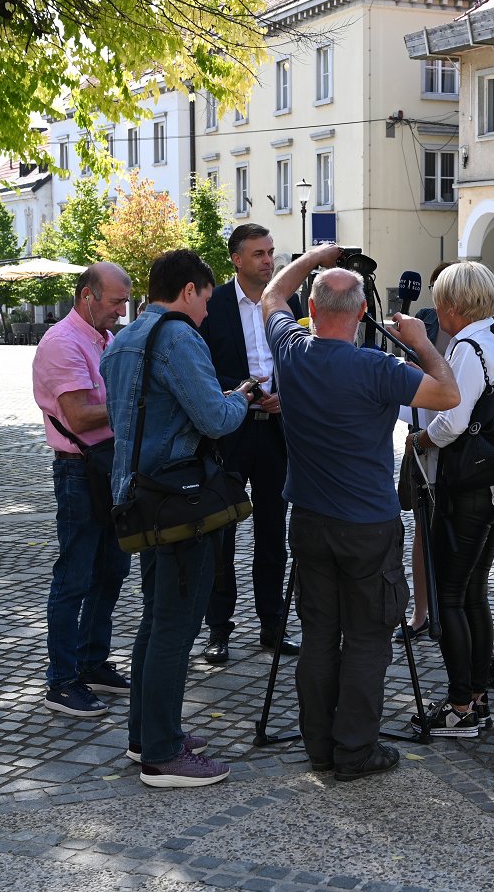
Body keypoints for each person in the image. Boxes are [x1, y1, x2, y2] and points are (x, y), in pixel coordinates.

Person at [262, 244, 458, 781]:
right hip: (367, 525)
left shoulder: (293, 350)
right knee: (369, 637)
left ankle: (321, 747)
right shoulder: (377, 367)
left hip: (308, 518)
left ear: (312, 310)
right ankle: (354, 751)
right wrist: (421, 343)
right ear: (363, 314)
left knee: (320, 635)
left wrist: (316, 257)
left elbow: (273, 293)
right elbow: (447, 393)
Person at [101, 249, 258, 789]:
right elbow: (213, 418)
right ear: (188, 290)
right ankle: (163, 755)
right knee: (175, 624)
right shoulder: (177, 336)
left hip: (141, 499)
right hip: (179, 499)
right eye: (206, 299)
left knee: (156, 618)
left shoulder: (122, 339)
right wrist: (244, 398)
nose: (207, 313)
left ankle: (146, 733)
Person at [405, 262, 494, 736]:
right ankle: (476, 697)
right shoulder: (491, 342)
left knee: (451, 596)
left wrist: (421, 440)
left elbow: (452, 421)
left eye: (440, 301)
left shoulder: (465, 347)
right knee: (472, 592)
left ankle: (461, 705)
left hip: (470, 488)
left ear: (454, 306)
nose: (437, 311)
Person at [197, 224, 304, 665]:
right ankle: (218, 629)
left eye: (271, 252)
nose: (268, 261)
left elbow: (301, 358)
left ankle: (271, 624)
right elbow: (201, 368)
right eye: (259, 253)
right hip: (230, 430)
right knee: (220, 532)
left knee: (272, 534)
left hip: (276, 432)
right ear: (236, 260)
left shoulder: (288, 304)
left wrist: (286, 393)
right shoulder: (214, 305)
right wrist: (248, 391)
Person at [33, 263, 134, 720]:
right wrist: (133, 401)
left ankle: (92, 663)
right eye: (115, 302)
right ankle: (62, 679)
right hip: (79, 470)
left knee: (111, 570)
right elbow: (79, 416)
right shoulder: (62, 343)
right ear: (87, 296)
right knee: (74, 577)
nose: (122, 310)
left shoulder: (103, 339)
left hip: (107, 466)